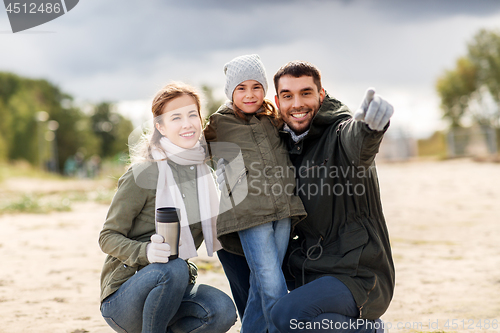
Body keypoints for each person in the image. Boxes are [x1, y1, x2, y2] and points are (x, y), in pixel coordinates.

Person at [217, 60, 395, 333]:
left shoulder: (339, 133)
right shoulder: (284, 143)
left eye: (306, 93)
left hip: (357, 273)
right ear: (277, 101)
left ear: (321, 95)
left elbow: (357, 143)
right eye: (288, 96)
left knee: (288, 315)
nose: (297, 103)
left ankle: (367, 330)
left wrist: (369, 128)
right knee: (232, 248)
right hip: (310, 267)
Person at [98, 82, 237, 333]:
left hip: (173, 293)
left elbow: (223, 233)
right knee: (173, 266)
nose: (187, 124)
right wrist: (147, 252)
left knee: (222, 310)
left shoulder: (203, 174)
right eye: (176, 117)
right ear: (160, 127)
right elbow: (107, 237)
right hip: (124, 298)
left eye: (192, 114)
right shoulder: (143, 173)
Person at [204, 54, 307, 333]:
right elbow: (192, 150)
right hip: (250, 215)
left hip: (284, 209)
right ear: (230, 92)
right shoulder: (218, 124)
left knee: (261, 286)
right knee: (273, 286)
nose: (250, 95)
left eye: (256, 87)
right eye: (241, 88)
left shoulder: (273, 118)